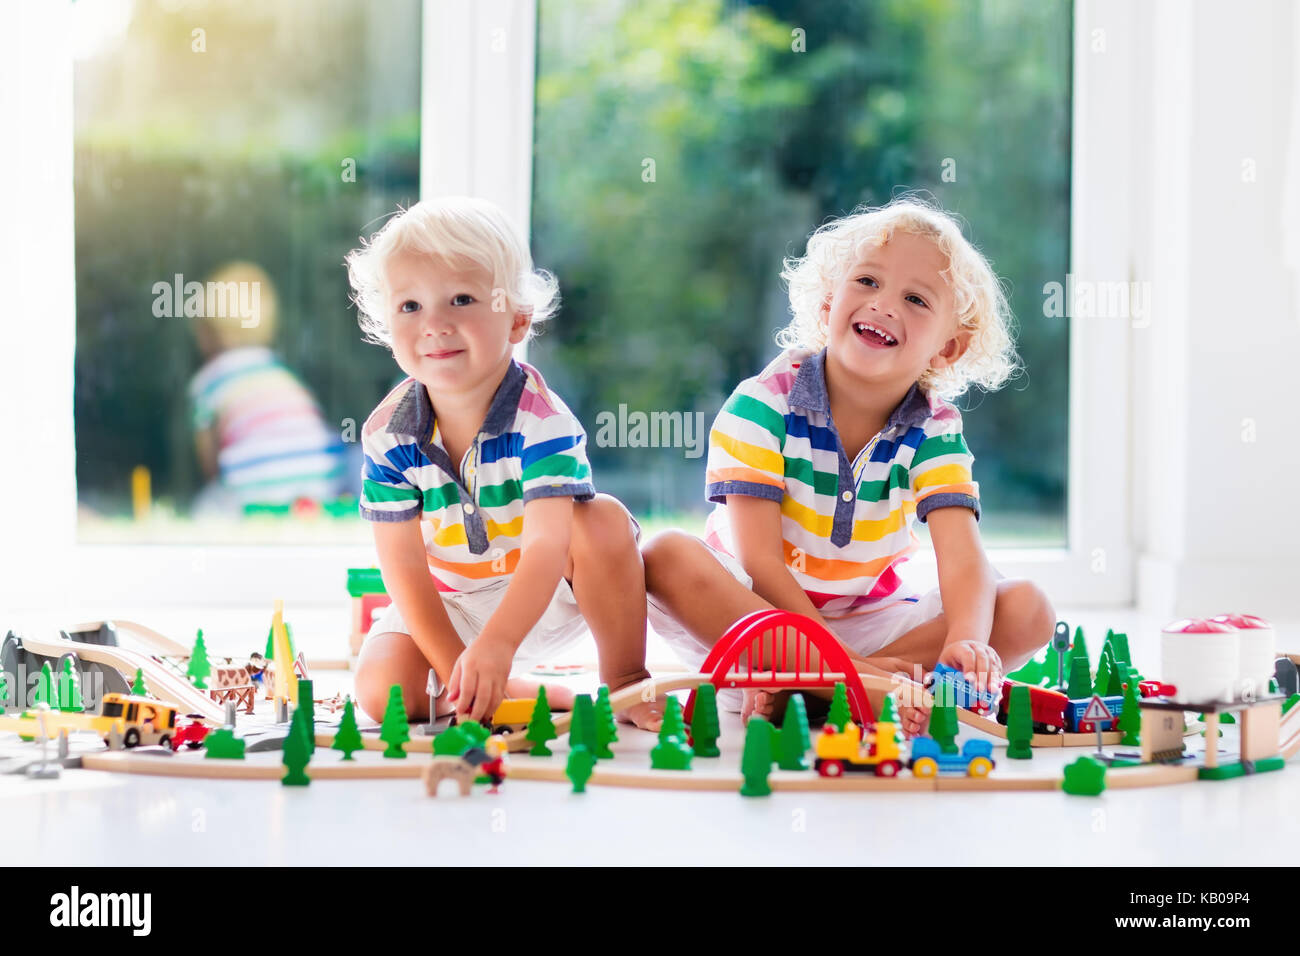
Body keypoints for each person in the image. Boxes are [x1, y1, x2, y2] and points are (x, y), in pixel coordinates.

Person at [643, 197, 1055, 736]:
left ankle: (816, 692)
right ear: (827, 303)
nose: (885, 305)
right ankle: (861, 687)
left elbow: (963, 556)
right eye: (867, 281)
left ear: (947, 349)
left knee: (1028, 609)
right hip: (757, 621)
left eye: (914, 299)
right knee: (665, 555)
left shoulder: (934, 429)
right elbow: (761, 565)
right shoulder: (763, 404)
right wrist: (840, 662)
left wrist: (966, 640)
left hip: (864, 625)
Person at [345, 196, 662, 730]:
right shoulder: (388, 432)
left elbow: (545, 547)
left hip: (547, 592)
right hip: (456, 603)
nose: (434, 324)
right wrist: (457, 673)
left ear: (517, 321)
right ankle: (513, 690)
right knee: (383, 695)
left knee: (601, 519)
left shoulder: (540, 420)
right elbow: (403, 568)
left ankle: (627, 681)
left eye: (461, 299)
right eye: (410, 306)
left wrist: (498, 645)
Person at [188, 261, 348, 515]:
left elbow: (209, 459)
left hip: (254, 491)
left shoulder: (209, 382)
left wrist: (218, 483)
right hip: (322, 483)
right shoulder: (280, 372)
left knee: (206, 507)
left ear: (206, 331)